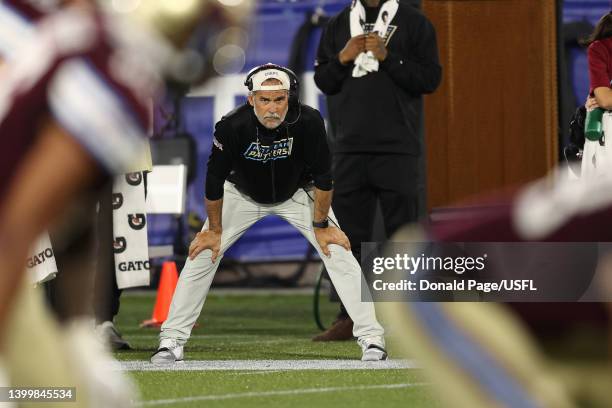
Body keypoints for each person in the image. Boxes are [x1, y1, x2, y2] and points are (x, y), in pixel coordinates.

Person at [0, 0, 250, 403]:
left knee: (61, 389)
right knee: (53, 391)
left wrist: (77, 331)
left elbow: (79, 224)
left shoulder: (82, 38)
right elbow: (13, 230)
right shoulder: (114, 83)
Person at [151, 64, 387, 364]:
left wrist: (322, 223)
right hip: (241, 194)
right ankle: (171, 340)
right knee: (202, 254)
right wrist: (213, 229)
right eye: (265, 100)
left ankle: (371, 339)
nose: (272, 108)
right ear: (251, 100)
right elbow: (213, 180)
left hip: (297, 193)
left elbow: (325, 177)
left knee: (338, 251)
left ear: (289, 98)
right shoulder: (231, 126)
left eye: (279, 99)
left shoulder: (310, 121)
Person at [313, 0, 441, 340]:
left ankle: (415, 317)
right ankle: (349, 316)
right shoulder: (339, 24)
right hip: (349, 146)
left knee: (404, 236)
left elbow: (430, 78)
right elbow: (323, 80)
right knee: (348, 238)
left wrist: (389, 58)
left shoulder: (415, 23)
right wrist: (342, 58)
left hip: (397, 146)